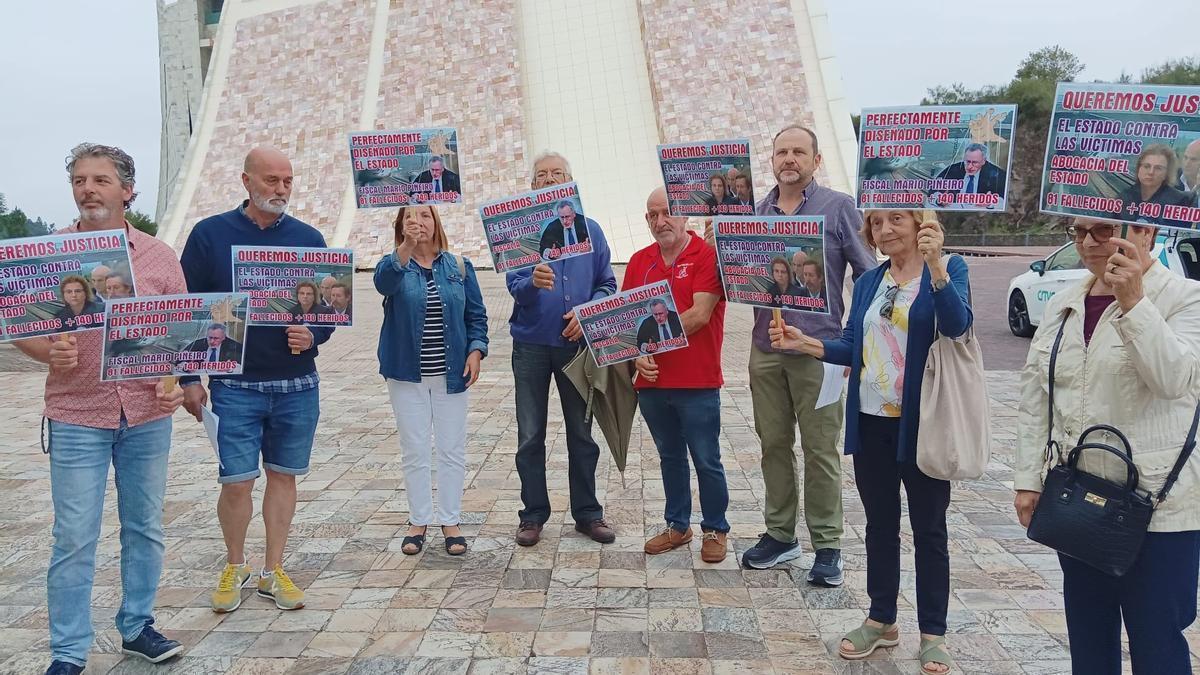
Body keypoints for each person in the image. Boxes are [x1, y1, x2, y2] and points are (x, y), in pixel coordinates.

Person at [769, 208, 970, 675]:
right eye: (876, 223)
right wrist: (809, 344)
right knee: (880, 525)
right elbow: (851, 344)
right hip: (871, 421)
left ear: (921, 223)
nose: (883, 230)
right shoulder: (868, 282)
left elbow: (957, 326)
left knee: (929, 530)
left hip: (923, 425)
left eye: (895, 219)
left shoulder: (950, 269)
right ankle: (882, 619)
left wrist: (937, 264)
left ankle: (933, 633)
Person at [14, 143, 187, 675]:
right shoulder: (51, 254)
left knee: (144, 527)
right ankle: (68, 653)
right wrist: (49, 351)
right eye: (80, 180)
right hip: (75, 413)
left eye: (100, 180)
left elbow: (179, 334)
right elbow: (21, 327)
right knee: (73, 536)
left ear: (127, 190)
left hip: (145, 414)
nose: (88, 189)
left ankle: (137, 626)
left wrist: (175, 380)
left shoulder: (159, 257)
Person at [1014, 217, 1200, 675]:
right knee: (1089, 635)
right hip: (1079, 500)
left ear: (1147, 232)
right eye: (1078, 233)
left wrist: (1133, 301)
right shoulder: (1064, 303)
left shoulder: (1185, 299)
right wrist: (1027, 480)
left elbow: (1174, 380)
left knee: (1156, 638)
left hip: (1158, 506)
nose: (1089, 243)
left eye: (1103, 230)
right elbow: (1037, 395)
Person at [180, 146, 335, 614]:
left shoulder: (309, 238)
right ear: (245, 181)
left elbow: (330, 311)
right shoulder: (210, 235)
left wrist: (314, 334)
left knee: (284, 477)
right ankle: (234, 564)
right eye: (271, 180)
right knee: (236, 481)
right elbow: (188, 309)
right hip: (234, 384)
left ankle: (273, 570)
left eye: (287, 181)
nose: (281, 190)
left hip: (296, 384)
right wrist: (190, 376)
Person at [728, 125, 877, 583]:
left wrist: (852, 344)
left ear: (815, 160)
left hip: (818, 351)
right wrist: (723, 239)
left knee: (820, 450)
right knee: (772, 445)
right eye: (781, 152)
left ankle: (827, 545)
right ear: (771, 161)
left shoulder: (838, 208)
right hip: (766, 349)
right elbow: (739, 277)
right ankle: (780, 535)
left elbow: (868, 275)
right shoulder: (753, 214)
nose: (788, 159)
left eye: (798, 151)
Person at [508, 151, 618, 547]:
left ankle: (587, 513)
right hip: (532, 345)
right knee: (530, 434)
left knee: (582, 433)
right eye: (542, 175)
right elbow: (514, 287)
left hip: (577, 347)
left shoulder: (591, 230)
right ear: (533, 185)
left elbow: (608, 283)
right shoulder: (521, 233)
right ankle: (532, 514)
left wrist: (589, 314)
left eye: (558, 174)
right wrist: (531, 282)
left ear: (570, 181)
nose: (550, 179)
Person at [375, 205, 488, 557]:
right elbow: (385, 283)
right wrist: (406, 247)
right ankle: (418, 520)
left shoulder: (458, 267)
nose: (418, 221)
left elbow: (476, 315)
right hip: (407, 374)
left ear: (435, 222)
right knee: (416, 449)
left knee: (452, 449)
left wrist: (476, 350)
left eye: (425, 215)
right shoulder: (393, 264)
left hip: (451, 374)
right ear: (401, 225)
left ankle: (450, 520)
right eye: (410, 217)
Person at [629, 186, 730, 563]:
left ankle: (716, 527)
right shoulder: (639, 261)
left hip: (698, 381)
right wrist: (635, 356)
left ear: (684, 214)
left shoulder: (707, 257)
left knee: (706, 458)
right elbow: (626, 325)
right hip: (652, 383)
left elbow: (700, 315)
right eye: (652, 215)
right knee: (669, 456)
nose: (660, 221)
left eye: (667, 212)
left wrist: (647, 343)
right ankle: (678, 524)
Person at [1121, 143, 1193, 227]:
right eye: (1146, 166)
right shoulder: (1124, 196)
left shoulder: (1180, 201)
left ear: (1167, 173)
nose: (1151, 172)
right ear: (1138, 168)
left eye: (1158, 168)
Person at [932, 143, 1006, 206]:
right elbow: (932, 192)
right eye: (967, 161)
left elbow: (1004, 200)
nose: (970, 166)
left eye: (974, 162)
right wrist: (939, 200)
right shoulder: (952, 170)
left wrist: (991, 203)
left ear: (984, 161)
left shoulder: (997, 175)